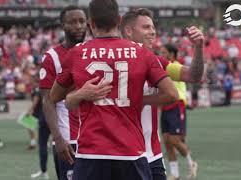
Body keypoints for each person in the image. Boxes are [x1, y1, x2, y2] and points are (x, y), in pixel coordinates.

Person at [64, 8, 205, 180]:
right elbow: (67, 99)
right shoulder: (98, 56)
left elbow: (193, 75)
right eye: (146, 27)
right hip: (111, 153)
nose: (152, 32)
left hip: (149, 154)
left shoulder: (156, 61)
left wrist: (198, 48)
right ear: (128, 31)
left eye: (153, 27)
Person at [38, 5, 87, 180]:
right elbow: (47, 100)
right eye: (72, 22)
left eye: (82, 21)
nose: (78, 26)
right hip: (68, 140)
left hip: (96, 137)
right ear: (63, 25)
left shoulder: (94, 51)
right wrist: (58, 138)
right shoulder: (52, 57)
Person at [160, 44, 198, 180]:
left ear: (172, 54)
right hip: (165, 107)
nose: (161, 54)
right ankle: (175, 174)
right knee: (166, 141)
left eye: (164, 52)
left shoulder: (175, 67)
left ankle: (191, 162)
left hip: (176, 105)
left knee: (174, 139)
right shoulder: (163, 67)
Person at [29, 76, 50, 179]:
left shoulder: (39, 89)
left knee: (42, 145)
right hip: (55, 116)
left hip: (45, 117)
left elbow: (35, 102)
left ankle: (44, 171)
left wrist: (30, 111)